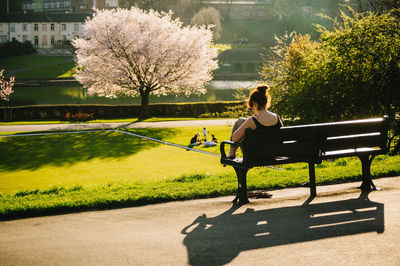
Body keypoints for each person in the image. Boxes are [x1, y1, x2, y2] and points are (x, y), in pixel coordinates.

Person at [227, 84, 283, 159]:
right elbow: (282, 136)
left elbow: (234, 139)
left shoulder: (252, 120)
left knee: (240, 120)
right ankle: (231, 152)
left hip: (255, 155)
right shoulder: (276, 117)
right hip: (274, 154)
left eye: (252, 106)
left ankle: (232, 152)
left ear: (254, 104)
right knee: (242, 120)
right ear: (266, 102)